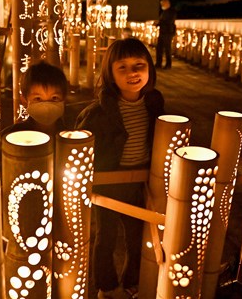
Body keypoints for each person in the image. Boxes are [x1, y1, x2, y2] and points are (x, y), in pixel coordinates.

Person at [75, 38, 165, 299]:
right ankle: (106, 286)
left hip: (141, 183)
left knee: (138, 236)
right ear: (110, 74)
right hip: (109, 184)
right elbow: (80, 146)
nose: (133, 73)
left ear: (149, 69)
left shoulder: (154, 106)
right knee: (106, 237)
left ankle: (132, 282)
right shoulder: (98, 112)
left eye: (139, 65)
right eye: (122, 67)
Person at [0, 61, 68, 169]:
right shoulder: (9, 138)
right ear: (24, 101)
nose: (46, 105)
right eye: (38, 99)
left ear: (64, 99)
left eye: (54, 98)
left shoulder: (71, 139)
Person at [155, 0, 177, 69]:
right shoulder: (164, 12)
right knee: (159, 48)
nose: (161, 5)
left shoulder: (172, 12)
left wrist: (159, 23)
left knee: (167, 49)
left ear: (167, 3)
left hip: (168, 32)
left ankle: (168, 64)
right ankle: (158, 63)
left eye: (162, 4)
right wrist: (157, 23)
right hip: (162, 32)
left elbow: (169, 22)